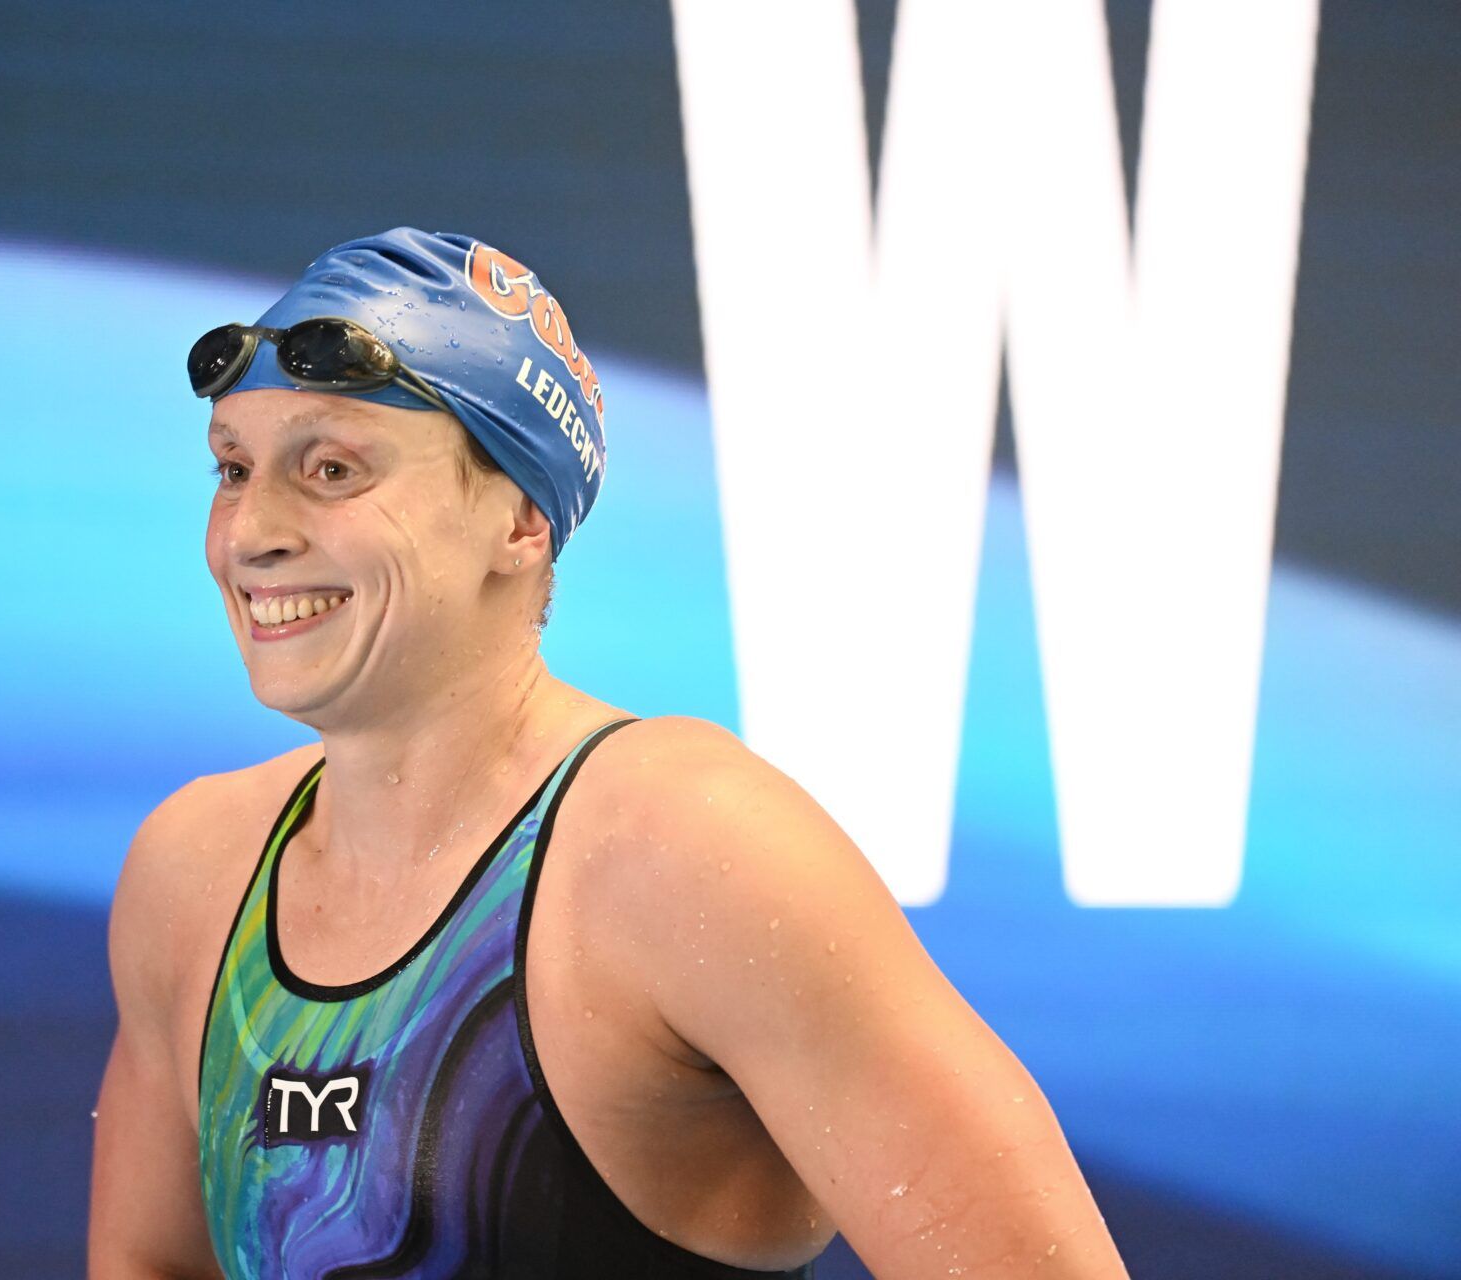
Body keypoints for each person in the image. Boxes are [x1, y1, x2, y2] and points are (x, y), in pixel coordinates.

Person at [88, 228, 1129, 1279]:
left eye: (332, 467)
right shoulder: (196, 873)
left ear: (523, 522)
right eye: (233, 467)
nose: (250, 529)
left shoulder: (684, 850)